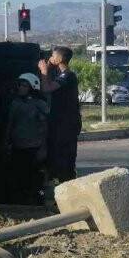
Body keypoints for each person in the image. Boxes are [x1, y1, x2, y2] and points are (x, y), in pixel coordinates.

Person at [39, 46, 82, 183]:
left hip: (66, 124)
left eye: (53, 56)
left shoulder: (68, 76)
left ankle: (67, 185)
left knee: (64, 159)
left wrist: (44, 71)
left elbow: (47, 88)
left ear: (60, 59)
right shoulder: (61, 75)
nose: (50, 58)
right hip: (60, 123)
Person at [5, 73, 49, 204]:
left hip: (34, 148)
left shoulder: (40, 104)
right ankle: (21, 202)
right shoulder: (15, 103)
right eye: (19, 85)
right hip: (18, 147)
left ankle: (38, 200)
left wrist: (43, 148)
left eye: (23, 85)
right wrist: (5, 142)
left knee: (36, 179)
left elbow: (46, 126)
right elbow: (10, 124)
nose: (20, 88)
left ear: (32, 87)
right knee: (19, 177)